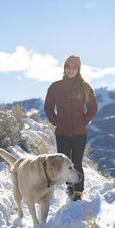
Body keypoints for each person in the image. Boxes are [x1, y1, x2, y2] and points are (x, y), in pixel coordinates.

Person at [44, 55, 98, 201]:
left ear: (78, 69)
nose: (70, 70)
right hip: (62, 133)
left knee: (77, 163)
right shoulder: (55, 87)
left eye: (74, 67)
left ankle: (78, 193)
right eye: (68, 66)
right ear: (64, 68)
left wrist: (84, 121)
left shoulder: (84, 87)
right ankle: (70, 188)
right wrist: (55, 121)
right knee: (65, 164)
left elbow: (93, 107)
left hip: (79, 133)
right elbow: (48, 107)